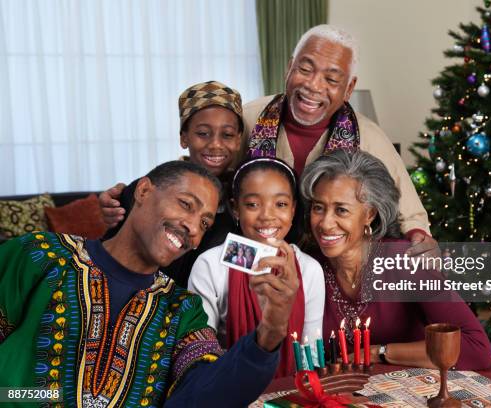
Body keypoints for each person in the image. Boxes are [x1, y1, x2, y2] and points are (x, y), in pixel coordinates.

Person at [0, 161, 299, 407]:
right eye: (185, 204)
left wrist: (270, 330)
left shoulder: (181, 311)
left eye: (205, 223)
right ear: (143, 191)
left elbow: (208, 394)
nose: (193, 228)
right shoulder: (40, 256)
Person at [242, 24, 438, 258]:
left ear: (349, 88)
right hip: (253, 255)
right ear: (289, 68)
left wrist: (419, 238)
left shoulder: (369, 137)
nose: (313, 86)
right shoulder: (248, 118)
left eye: (331, 79)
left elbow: (411, 216)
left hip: (329, 263)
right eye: (305, 69)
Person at [300, 150, 491, 370]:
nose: (325, 223)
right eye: (318, 208)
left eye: (341, 210)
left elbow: (475, 347)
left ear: (370, 214)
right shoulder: (308, 268)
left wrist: (378, 352)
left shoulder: (406, 260)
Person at [188, 157, 325, 377]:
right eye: (252, 204)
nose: (267, 216)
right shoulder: (210, 265)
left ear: (293, 210)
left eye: (280, 204)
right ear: (235, 209)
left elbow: (311, 354)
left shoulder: (309, 269)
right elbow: (200, 351)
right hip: (227, 386)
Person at [99, 81, 244, 287]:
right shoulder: (151, 191)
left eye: (227, 135)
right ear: (184, 138)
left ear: (238, 140)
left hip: (197, 309)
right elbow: (107, 254)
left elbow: (245, 264)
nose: (215, 144)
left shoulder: (241, 206)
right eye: (203, 133)